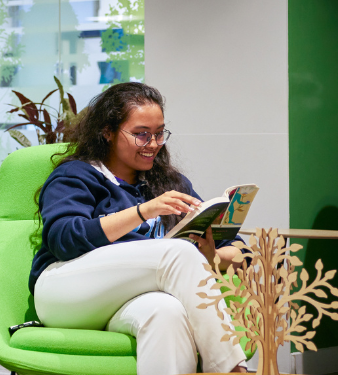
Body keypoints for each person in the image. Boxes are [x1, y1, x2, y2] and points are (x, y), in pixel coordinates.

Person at [31, 82, 248, 374]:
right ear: (107, 132)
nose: (154, 143)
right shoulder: (76, 175)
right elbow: (65, 240)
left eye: (159, 133)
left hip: (127, 302)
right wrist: (143, 211)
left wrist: (211, 258)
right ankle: (233, 371)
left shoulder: (169, 184)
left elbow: (239, 253)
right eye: (141, 134)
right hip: (63, 294)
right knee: (177, 253)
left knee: (166, 313)